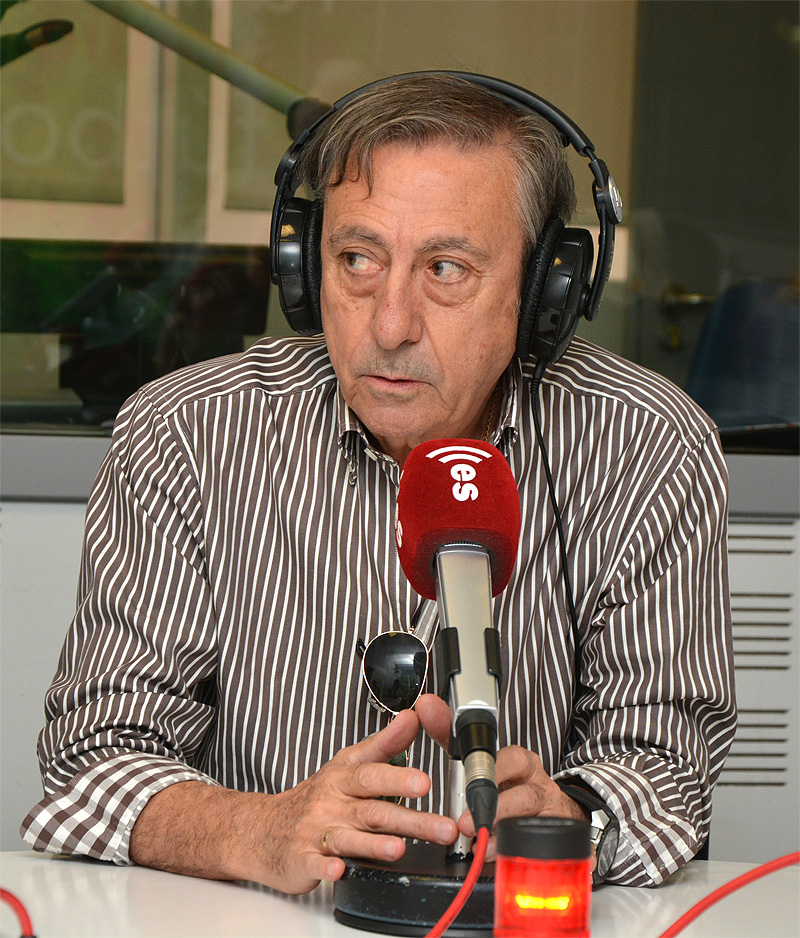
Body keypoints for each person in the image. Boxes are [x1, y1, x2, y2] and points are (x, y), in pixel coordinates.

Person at [21, 72, 736, 894]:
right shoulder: (185, 433)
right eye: (357, 259)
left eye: (447, 268)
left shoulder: (648, 446)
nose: (390, 325)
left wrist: (571, 818)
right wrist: (257, 830)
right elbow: (94, 757)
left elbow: (665, 768)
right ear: (302, 265)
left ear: (547, 290)